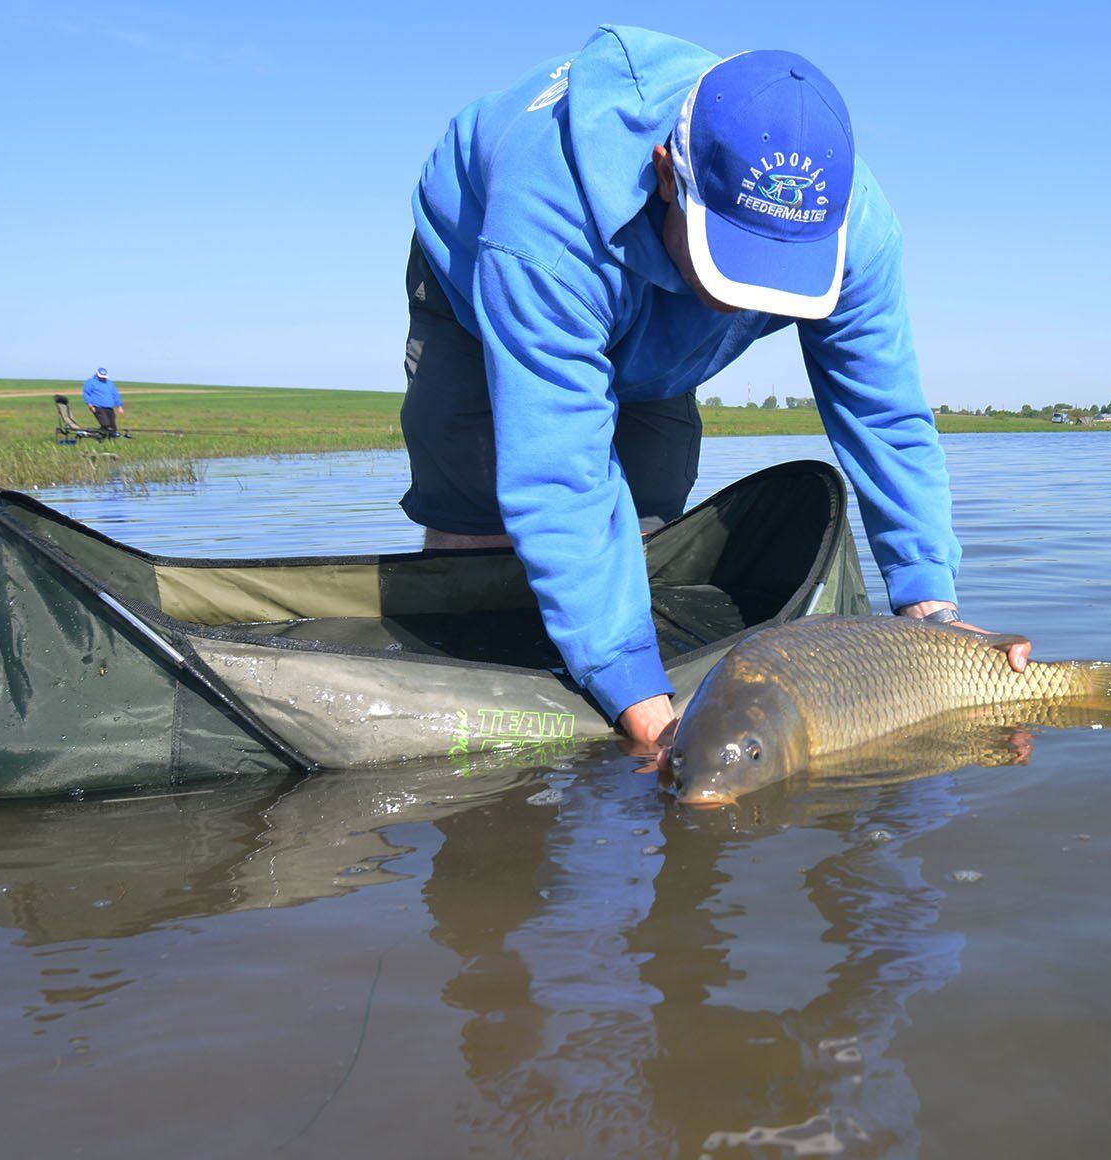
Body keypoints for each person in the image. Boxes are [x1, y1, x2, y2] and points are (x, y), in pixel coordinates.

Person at [402, 26, 1027, 754]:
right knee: (480, 536)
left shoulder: (856, 225)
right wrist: (639, 701)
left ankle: (608, 658)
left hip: (655, 320)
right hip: (482, 290)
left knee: (646, 529)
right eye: (734, 261)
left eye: (780, 272)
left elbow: (883, 415)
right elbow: (557, 473)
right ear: (668, 175)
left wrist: (932, 609)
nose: (748, 298)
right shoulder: (543, 219)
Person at [82, 368, 123, 438]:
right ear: (98, 375)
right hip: (97, 407)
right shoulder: (90, 382)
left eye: (104, 377)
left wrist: (119, 406)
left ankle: (107, 439)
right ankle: (89, 433)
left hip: (109, 407)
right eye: (101, 377)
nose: (103, 379)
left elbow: (115, 394)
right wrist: (90, 405)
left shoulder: (110, 383)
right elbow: (86, 393)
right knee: (105, 424)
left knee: (113, 426)